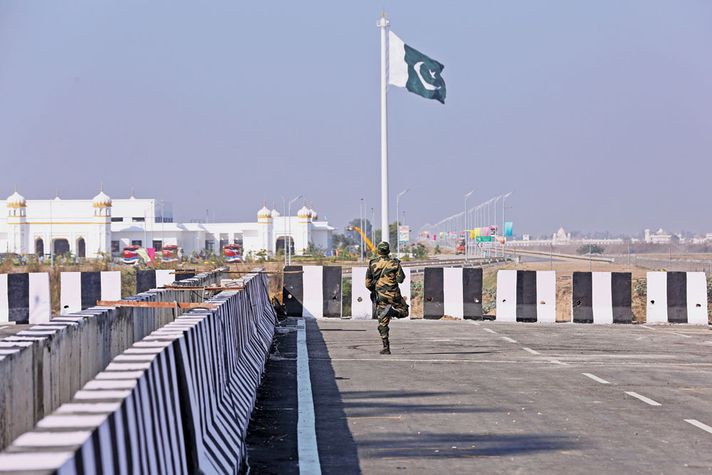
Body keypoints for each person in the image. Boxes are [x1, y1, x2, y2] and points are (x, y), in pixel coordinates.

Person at [365, 241, 409, 355]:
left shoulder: (372, 263)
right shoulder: (394, 263)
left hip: (381, 296)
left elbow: (367, 283)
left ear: (378, 251)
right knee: (405, 312)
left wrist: (375, 290)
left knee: (382, 323)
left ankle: (386, 348)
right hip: (394, 295)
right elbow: (401, 279)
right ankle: (393, 312)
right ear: (388, 251)